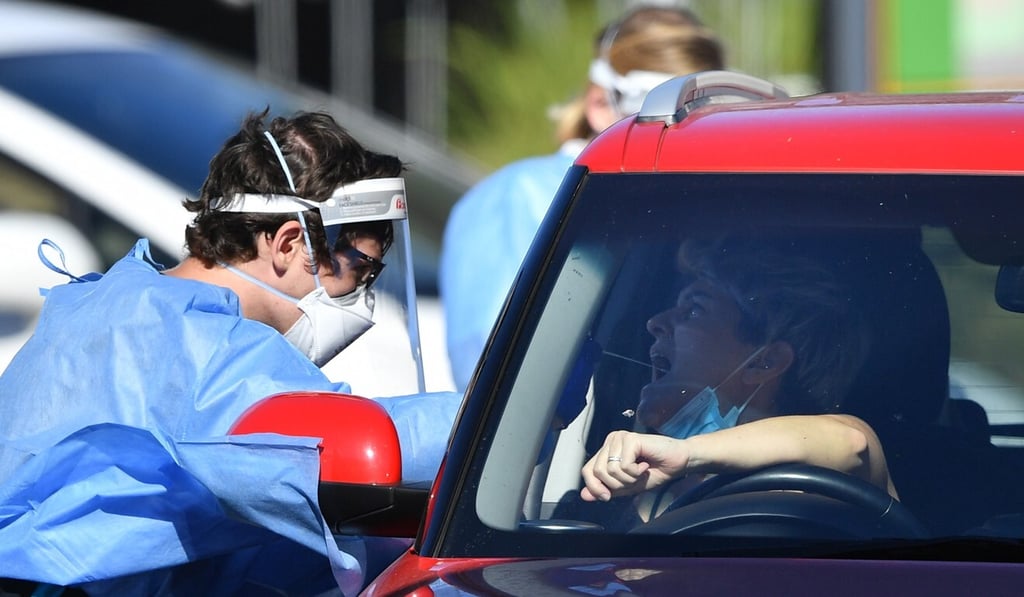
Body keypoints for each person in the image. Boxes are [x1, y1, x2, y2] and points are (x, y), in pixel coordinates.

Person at [0, 110, 460, 594]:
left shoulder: (108, 302)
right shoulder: (205, 348)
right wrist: (522, 411)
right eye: (361, 270)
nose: (361, 296)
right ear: (288, 243)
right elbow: (341, 445)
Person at [441, 4, 725, 390]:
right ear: (599, 104)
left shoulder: (696, 202)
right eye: (667, 116)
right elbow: (489, 373)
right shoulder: (516, 195)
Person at [575, 235, 897, 524]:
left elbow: (852, 444)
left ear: (764, 362)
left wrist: (686, 454)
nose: (654, 323)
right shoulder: (647, 487)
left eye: (695, 310)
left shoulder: (825, 481)